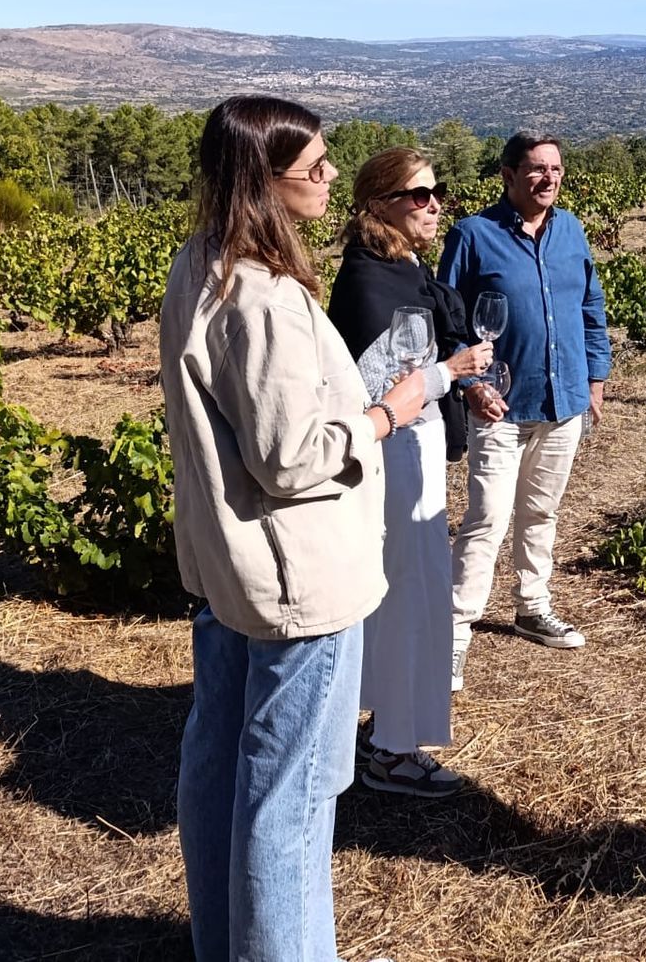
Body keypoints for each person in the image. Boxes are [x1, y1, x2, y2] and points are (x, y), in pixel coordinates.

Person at [160, 95, 426, 962]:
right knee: (293, 796)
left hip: (228, 567)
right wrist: (386, 414)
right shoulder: (265, 297)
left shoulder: (198, 264)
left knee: (219, 766)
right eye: (312, 166)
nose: (330, 176)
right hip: (297, 578)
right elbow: (289, 458)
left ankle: (223, 945)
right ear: (260, 182)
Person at [326, 147, 494, 798]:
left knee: (413, 597)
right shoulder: (368, 279)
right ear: (378, 205)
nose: (433, 204)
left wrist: (462, 383)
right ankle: (392, 750)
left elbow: (415, 359)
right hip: (392, 465)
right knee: (406, 599)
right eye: (416, 195)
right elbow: (374, 389)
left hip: (414, 457)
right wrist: (451, 374)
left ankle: (382, 729)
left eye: (436, 192)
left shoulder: (404, 268)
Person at [437, 132, 611, 687]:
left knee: (542, 511)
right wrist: (471, 386)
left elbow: (590, 305)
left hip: (563, 399)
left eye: (556, 169)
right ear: (508, 174)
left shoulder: (572, 231)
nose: (548, 179)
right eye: (537, 169)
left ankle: (532, 606)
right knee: (486, 517)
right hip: (498, 405)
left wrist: (596, 377)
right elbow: (447, 317)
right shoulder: (474, 235)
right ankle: (455, 631)